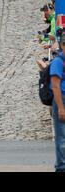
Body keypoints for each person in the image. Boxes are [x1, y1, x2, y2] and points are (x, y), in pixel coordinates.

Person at [49, 29, 65, 172]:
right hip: (62, 99)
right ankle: (61, 166)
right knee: (62, 138)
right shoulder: (58, 62)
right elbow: (55, 86)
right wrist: (60, 107)